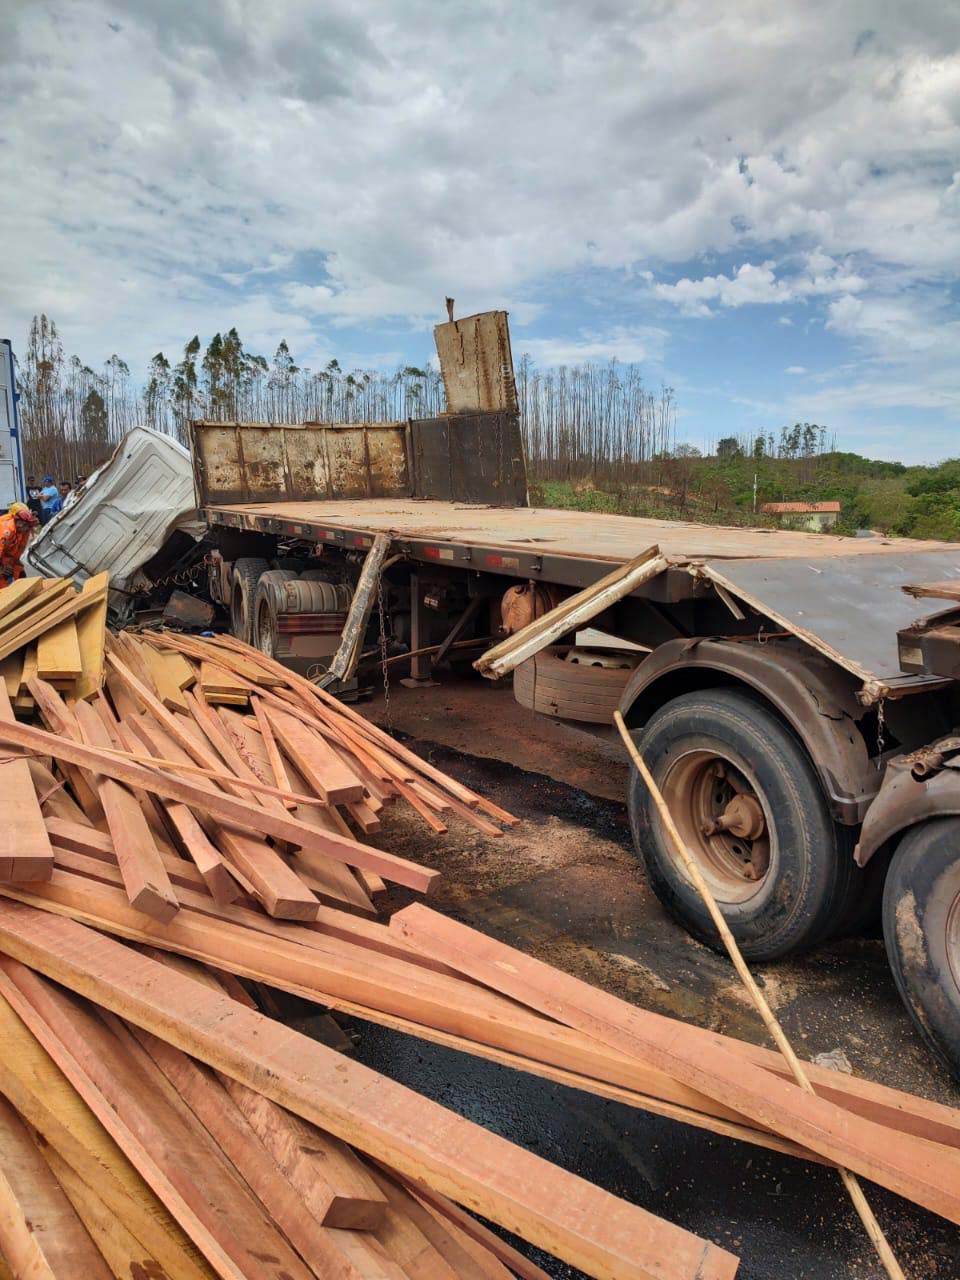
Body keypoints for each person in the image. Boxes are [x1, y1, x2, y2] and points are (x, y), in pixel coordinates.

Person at [0, 504, 39, 588]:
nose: (29, 529)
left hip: (6, 559)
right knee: (4, 589)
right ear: (21, 523)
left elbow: (18, 550)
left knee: (20, 575)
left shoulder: (22, 531)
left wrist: (16, 563)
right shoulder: (5, 531)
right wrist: (1, 568)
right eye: (28, 527)